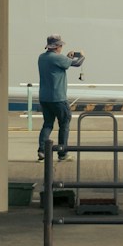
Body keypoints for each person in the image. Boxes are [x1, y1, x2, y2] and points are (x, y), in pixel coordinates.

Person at [36, 34, 83, 162]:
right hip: (58, 98)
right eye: (60, 45)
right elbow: (78, 63)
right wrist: (81, 55)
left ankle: (42, 151)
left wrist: (67, 57)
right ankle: (62, 153)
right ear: (56, 46)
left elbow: (62, 63)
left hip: (44, 97)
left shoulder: (42, 57)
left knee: (47, 124)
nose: (61, 47)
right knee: (64, 123)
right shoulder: (57, 58)